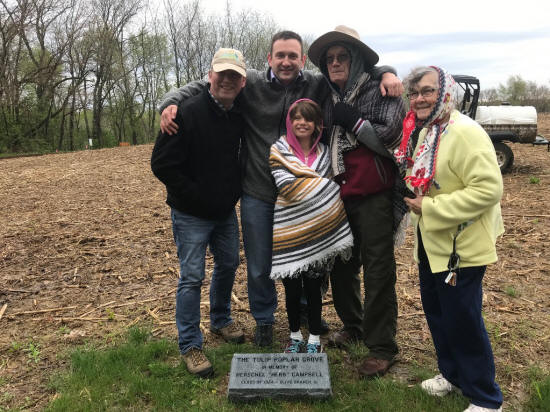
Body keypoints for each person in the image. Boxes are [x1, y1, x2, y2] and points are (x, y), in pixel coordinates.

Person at [159, 30, 403, 347]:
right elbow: (205, 86)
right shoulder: (250, 83)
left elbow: (360, 71)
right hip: (258, 190)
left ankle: (304, 312)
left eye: (292, 56)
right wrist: (171, 102)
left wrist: (388, 73)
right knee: (259, 264)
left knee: (308, 255)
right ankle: (264, 318)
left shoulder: (316, 83)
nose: (286, 62)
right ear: (269, 59)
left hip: (301, 193)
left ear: (302, 60)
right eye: (280, 56)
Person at [395, 66, 504, 412]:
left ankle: (486, 397)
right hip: (434, 243)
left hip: (463, 247)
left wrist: (431, 206)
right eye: (414, 93)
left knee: (463, 320)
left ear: (446, 93)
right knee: (439, 314)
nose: (419, 99)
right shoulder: (429, 131)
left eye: (427, 91)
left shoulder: (466, 132)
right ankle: (453, 375)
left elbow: (489, 189)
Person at [307, 25, 407, 378]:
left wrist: (356, 122)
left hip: (374, 195)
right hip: (339, 194)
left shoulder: (382, 90)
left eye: (342, 57)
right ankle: (354, 325)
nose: (334, 63)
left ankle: (382, 347)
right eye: (329, 58)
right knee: (341, 265)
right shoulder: (326, 95)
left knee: (378, 270)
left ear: (358, 59)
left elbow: (392, 136)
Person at [150, 48, 248, 378]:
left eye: (234, 76)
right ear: (210, 76)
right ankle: (190, 344)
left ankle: (220, 319)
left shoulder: (239, 113)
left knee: (229, 263)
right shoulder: (185, 112)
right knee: (192, 277)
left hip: (224, 211)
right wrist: (195, 195)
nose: (227, 80)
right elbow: (162, 164)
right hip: (191, 213)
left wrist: (230, 192)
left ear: (243, 82)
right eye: (222, 74)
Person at [269, 99, 353, 354]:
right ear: (290, 122)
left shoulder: (327, 153)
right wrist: (324, 189)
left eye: (308, 119)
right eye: (297, 118)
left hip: (319, 231)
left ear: (318, 124)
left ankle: (314, 338)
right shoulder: (279, 150)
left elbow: (333, 184)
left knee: (315, 289)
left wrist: (319, 188)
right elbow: (287, 186)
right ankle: (295, 336)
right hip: (289, 229)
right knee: (292, 290)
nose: (302, 123)